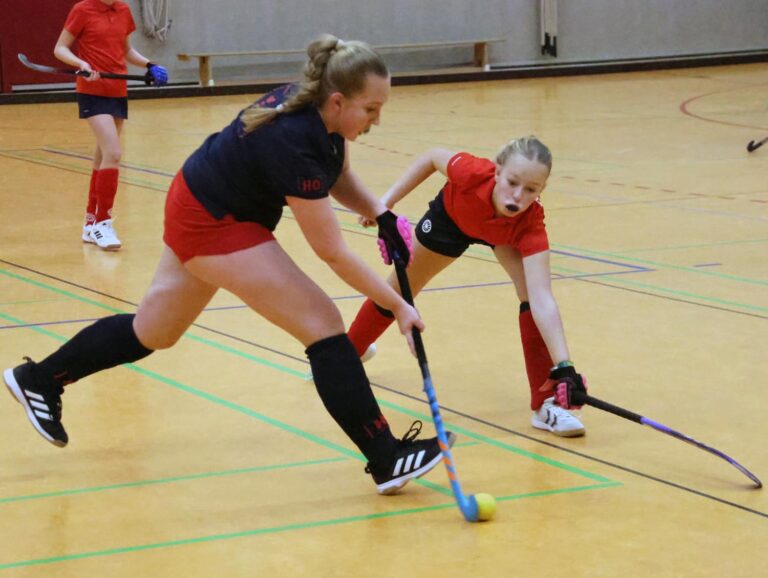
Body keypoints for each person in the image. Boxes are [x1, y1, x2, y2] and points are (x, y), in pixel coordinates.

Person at [4, 34, 453, 496]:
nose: (378, 119)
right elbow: (331, 251)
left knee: (155, 330)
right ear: (338, 100)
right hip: (213, 219)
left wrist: (381, 214)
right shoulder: (295, 137)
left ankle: (39, 379)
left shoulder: (322, 117)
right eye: (371, 109)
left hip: (201, 196)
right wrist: (397, 306)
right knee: (322, 322)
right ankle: (386, 456)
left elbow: (336, 172)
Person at [347, 137, 589, 437]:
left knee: (529, 294)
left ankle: (544, 405)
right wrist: (385, 203)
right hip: (451, 220)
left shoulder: (530, 223)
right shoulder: (472, 173)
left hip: (503, 235)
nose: (517, 196)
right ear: (497, 171)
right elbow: (432, 156)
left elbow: (543, 300)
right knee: (400, 288)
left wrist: (564, 366)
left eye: (531, 190)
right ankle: (346, 356)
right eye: (512, 182)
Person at [54, 0, 169, 250]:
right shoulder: (83, 9)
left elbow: (126, 51)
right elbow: (60, 48)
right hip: (92, 91)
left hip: (118, 90)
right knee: (114, 153)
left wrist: (151, 65)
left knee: (102, 157)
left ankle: (90, 222)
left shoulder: (123, 10)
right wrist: (81, 64)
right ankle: (103, 223)